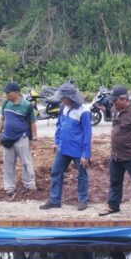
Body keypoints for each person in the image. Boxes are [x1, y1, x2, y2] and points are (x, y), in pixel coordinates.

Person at [40, 82, 92, 211]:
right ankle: (54, 200)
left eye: (64, 98)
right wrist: (56, 142)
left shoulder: (84, 111)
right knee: (56, 172)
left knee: (82, 175)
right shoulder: (64, 107)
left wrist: (86, 154)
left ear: (71, 98)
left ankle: (82, 200)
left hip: (78, 150)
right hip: (63, 148)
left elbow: (87, 134)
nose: (62, 100)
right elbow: (59, 125)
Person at [99, 85, 131, 219]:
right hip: (115, 154)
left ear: (123, 98)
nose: (113, 103)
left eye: (115, 100)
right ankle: (113, 206)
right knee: (115, 181)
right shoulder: (115, 109)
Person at [0, 82, 38, 196]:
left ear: (16, 93)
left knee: (26, 162)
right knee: (8, 163)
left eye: (8, 93)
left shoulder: (27, 105)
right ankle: (9, 186)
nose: (6, 95)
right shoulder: (6, 103)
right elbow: (1, 119)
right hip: (7, 138)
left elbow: (32, 122)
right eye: (5, 93)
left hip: (22, 137)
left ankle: (29, 183)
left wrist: (34, 138)